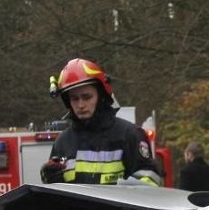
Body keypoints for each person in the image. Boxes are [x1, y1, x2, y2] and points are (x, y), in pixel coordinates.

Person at [40, 58, 162, 186]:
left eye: (87, 97)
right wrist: (51, 181)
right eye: (74, 99)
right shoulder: (62, 142)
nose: (80, 105)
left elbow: (150, 181)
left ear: (101, 96)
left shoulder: (129, 134)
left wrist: (119, 194)